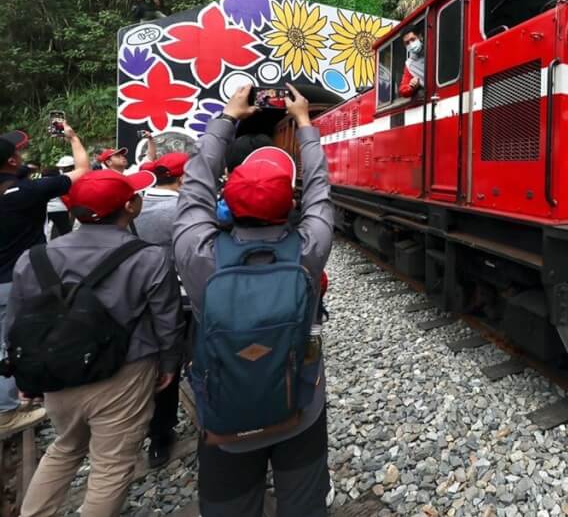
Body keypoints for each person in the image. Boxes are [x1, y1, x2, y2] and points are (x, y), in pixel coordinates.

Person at [173, 83, 334, 517]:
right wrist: (304, 123)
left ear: (224, 202)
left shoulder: (196, 253)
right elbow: (320, 188)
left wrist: (227, 116)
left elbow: (196, 182)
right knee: (305, 504)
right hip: (299, 405)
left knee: (229, 506)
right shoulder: (308, 249)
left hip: (225, 418)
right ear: (291, 203)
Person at [5, 168, 184, 516]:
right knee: (111, 464)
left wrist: (22, 374)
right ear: (131, 206)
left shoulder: (34, 258)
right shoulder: (148, 257)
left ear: (73, 211)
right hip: (125, 373)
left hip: (58, 371)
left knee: (65, 447)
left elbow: (17, 324)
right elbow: (168, 321)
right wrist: (169, 365)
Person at [0, 127, 90, 435]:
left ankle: (22, 391)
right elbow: (82, 171)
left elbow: (23, 171)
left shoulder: (19, 185)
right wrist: (73, 138)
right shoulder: (28, 193)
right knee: (17, 336)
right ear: (12, 160)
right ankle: (6, 411)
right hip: (19, 276)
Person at [133, 151, 190, 468]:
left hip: (147, 300)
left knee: (161, 371)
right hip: (186, 297)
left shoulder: (135, 205)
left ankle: (159, 437)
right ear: (182, 178)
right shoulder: (186, 208)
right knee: (196, 359)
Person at [44, 156, 75, 239]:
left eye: (65, 168)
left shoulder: (63, 178)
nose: (62, 170)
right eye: (62, 168)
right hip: (63, 208)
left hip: (52, 208)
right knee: (65, 231)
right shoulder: (62, 179)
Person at [398, 28, 426, 98]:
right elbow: (403, 90)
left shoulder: (435, 47)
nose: (411, 44)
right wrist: (411, 86)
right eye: (407, 43)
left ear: (420, 37)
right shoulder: (409, 65)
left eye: (413, 39)